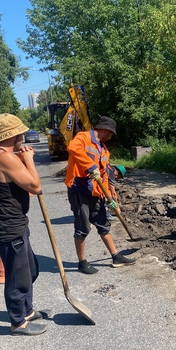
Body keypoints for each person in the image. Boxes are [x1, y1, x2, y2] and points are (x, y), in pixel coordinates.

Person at [0, 113, 46, 336]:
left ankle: (27, 310)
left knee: (30, 269)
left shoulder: (4, 154)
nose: (23, 136)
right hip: (8, 226)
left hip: (16, 222)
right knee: (17, 276)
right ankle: (17, 322)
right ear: (14, 135)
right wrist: (29, 160)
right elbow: (35, 186)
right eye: (21, 132)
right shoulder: (3, 156)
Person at [65, 116, 136, 274]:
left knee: (103, 223)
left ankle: (115, 256)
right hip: (79, 188)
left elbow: (103, 176)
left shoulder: (104, 150)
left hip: (95, 193)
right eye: (111, 134)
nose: (111, 137)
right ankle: (82, 262)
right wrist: (90, 166)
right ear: (105, 130)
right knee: (82, 227)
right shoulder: (83, 137)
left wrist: (108, 198)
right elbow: (72, 148)